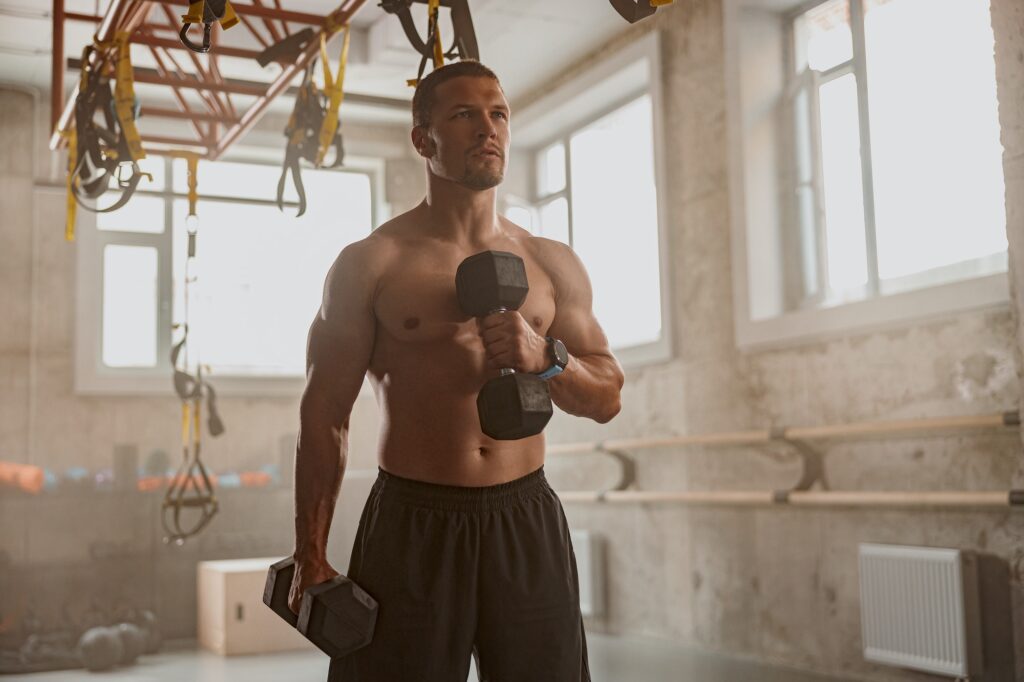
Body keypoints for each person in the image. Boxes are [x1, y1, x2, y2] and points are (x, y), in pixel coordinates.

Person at [288, 60, 625, 682]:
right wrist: (311, 553)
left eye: (497, 113)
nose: (487, 129)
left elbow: (606, 395)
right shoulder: (371, 264)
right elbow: (324, 415)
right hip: (413, 521)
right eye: (464, 114)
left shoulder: (552, 263)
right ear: (424, 139)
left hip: (524, 517)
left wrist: (544, 356)